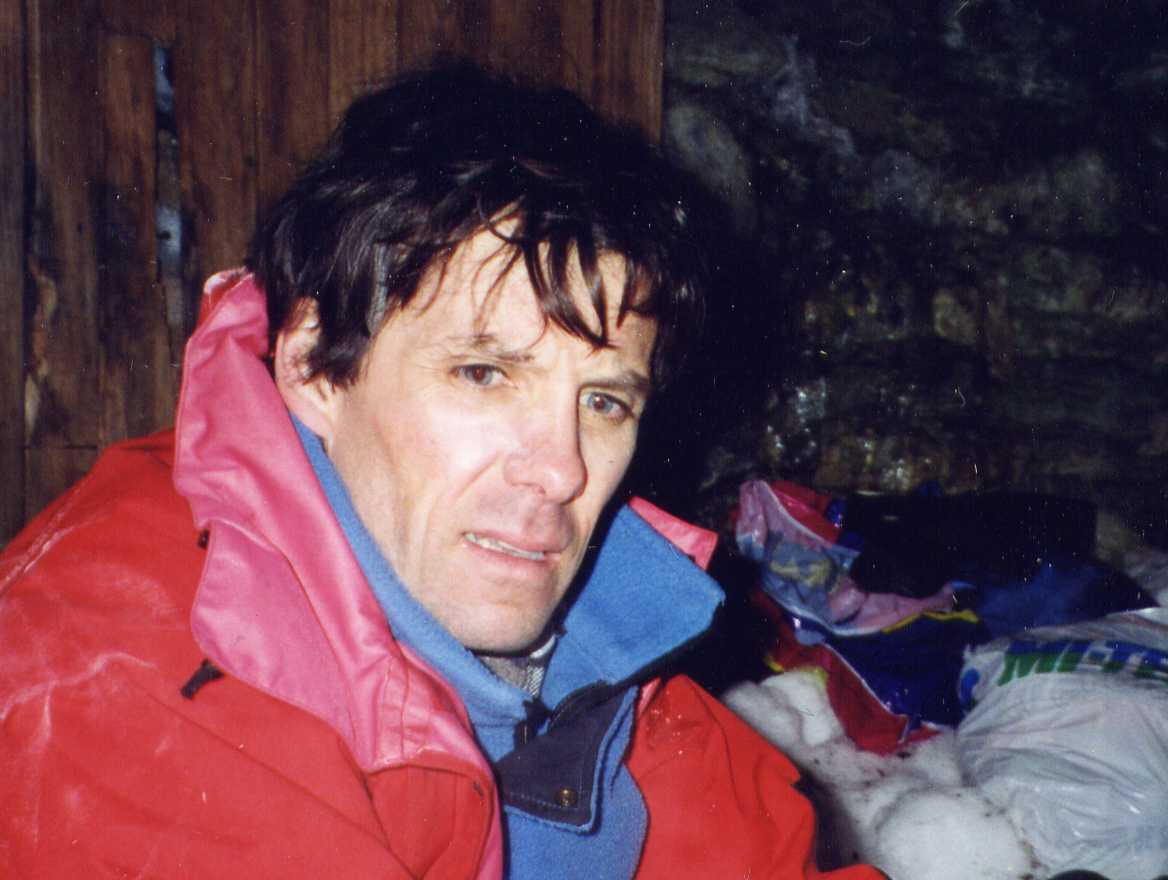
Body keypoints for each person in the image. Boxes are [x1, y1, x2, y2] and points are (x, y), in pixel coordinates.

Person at [0, 64, 882, 879]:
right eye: (484, 374)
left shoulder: (596, 650)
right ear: (313, 366)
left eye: (604, 402)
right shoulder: (118, 675)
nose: (561, 471)